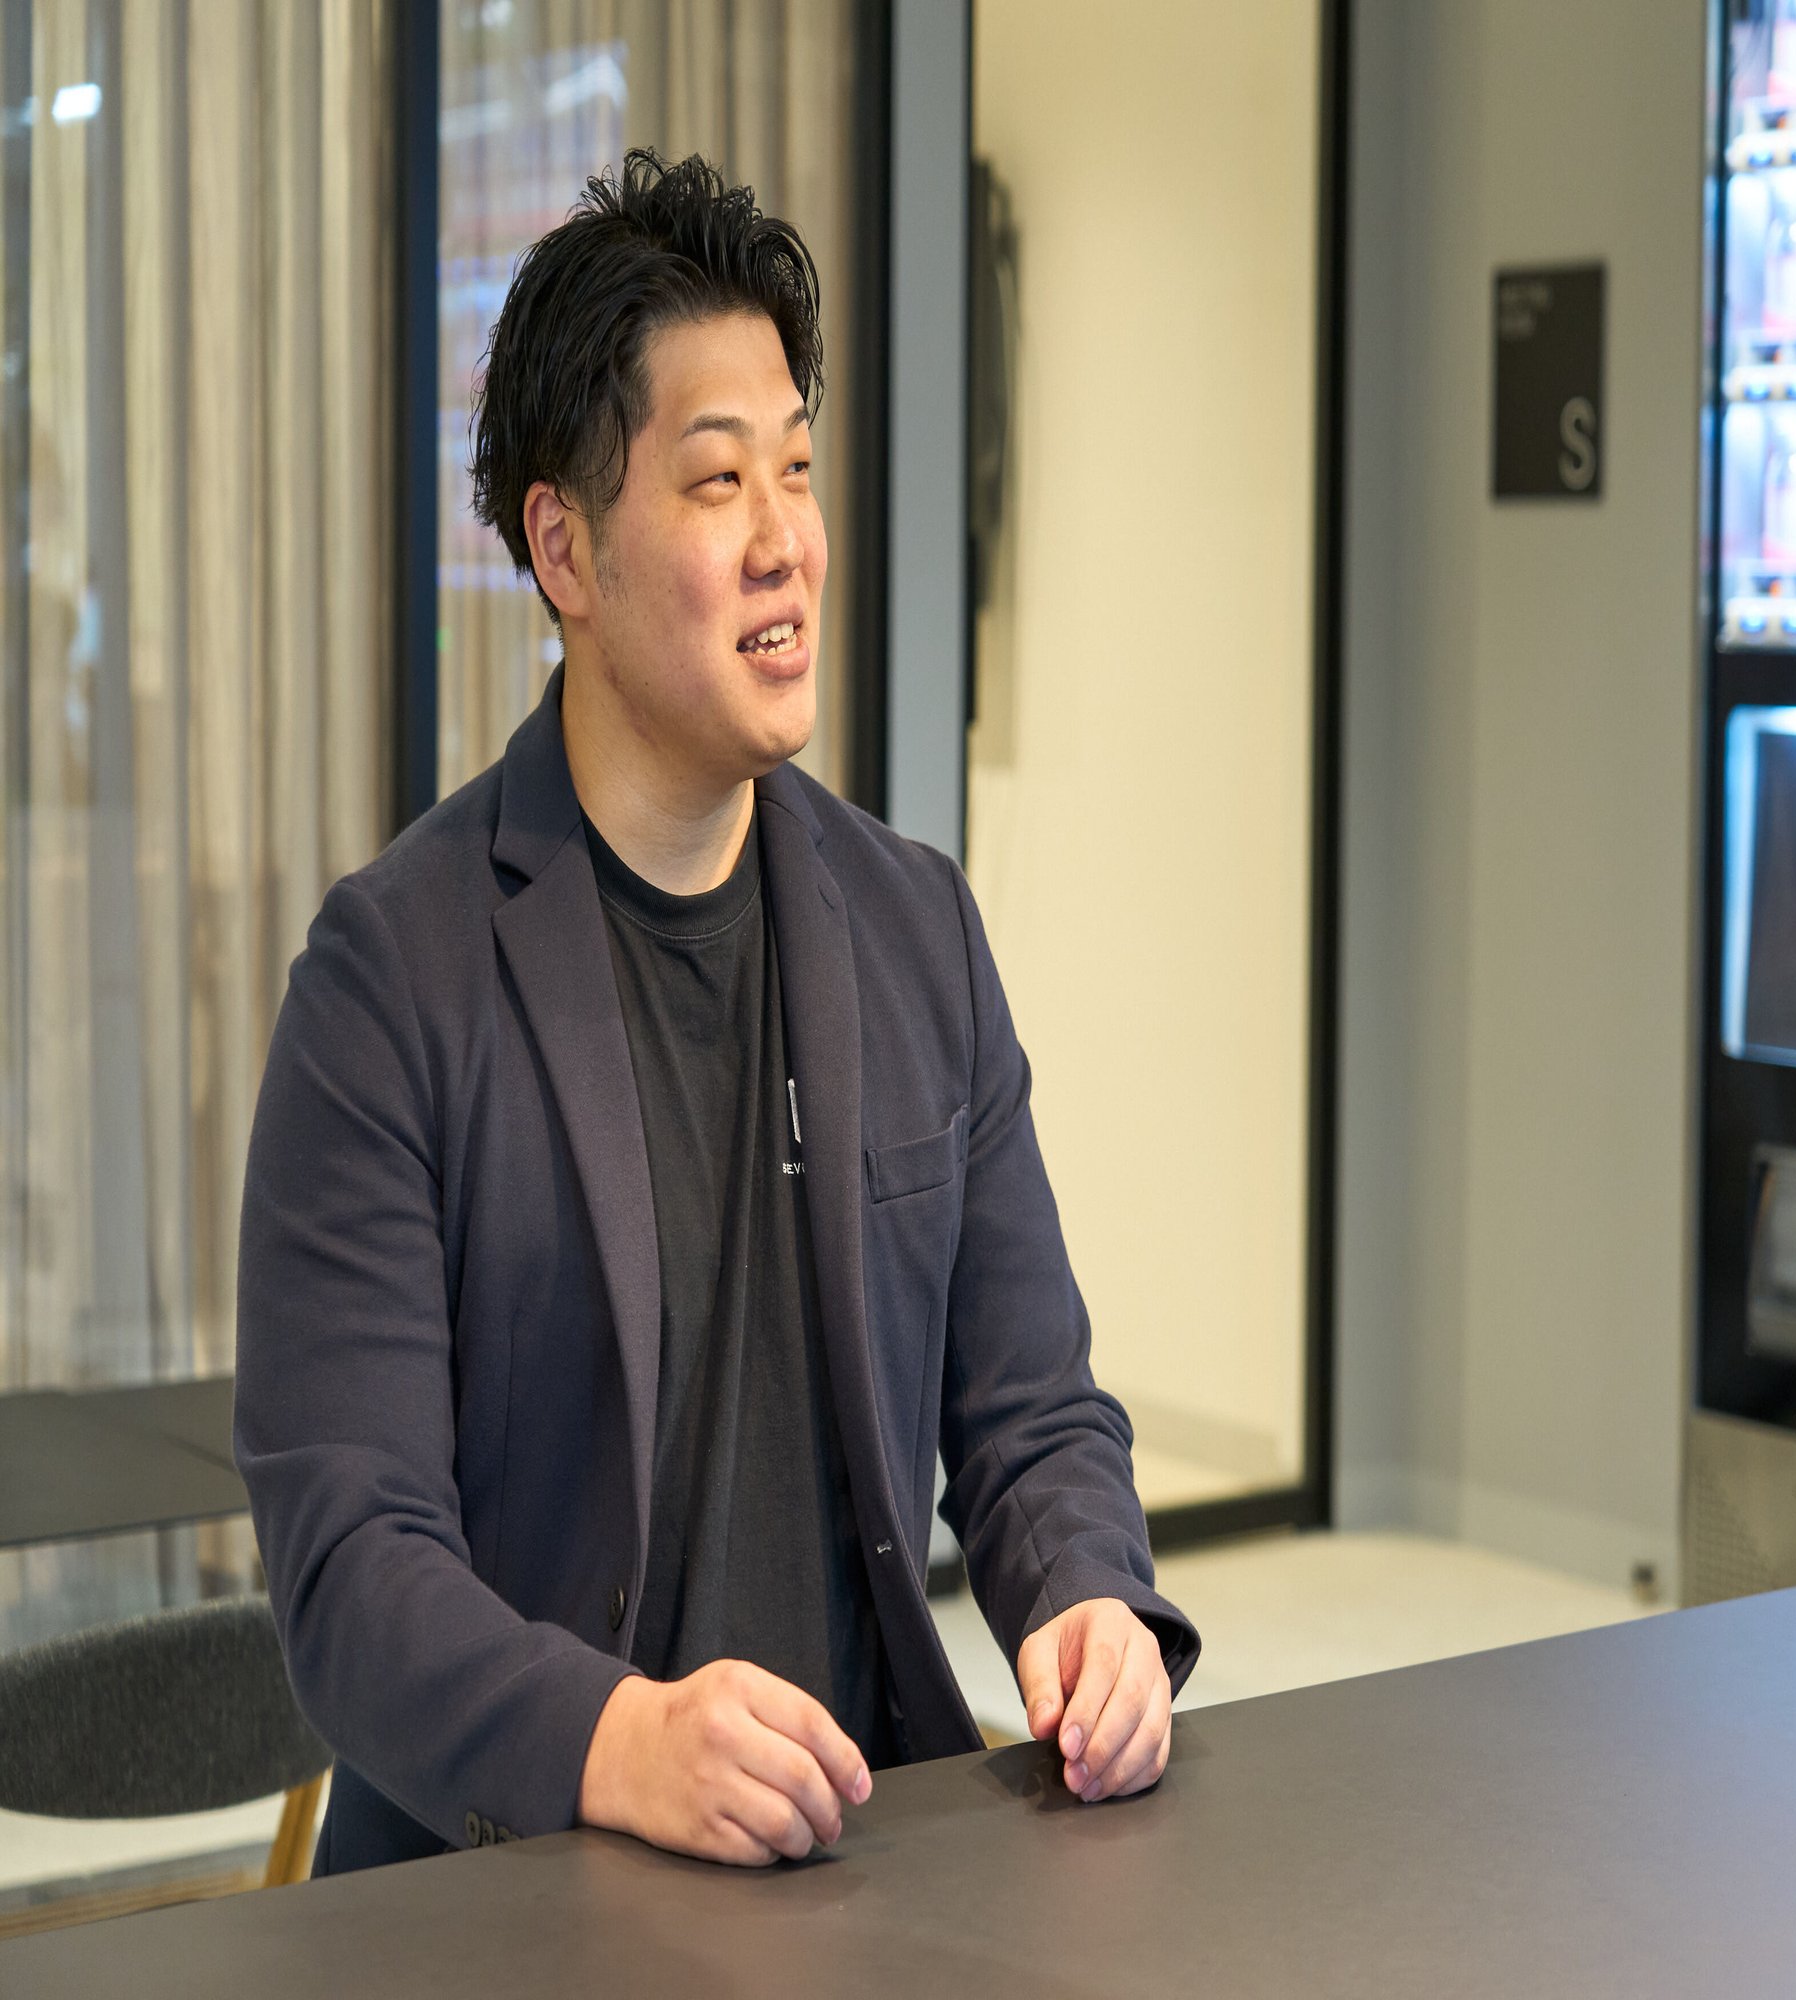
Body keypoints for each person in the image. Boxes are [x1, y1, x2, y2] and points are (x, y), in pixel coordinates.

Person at [234, 149, 1197, 1876]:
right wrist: (614, 1739)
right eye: (717, 480)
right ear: (564, 549)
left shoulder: (916, 929)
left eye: (798, 473)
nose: (785, 545)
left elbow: (1033, 1409)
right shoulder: (389, 983)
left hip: (858, 1860)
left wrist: (1089, 1600)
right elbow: (350, 1568)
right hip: (516, 1891)